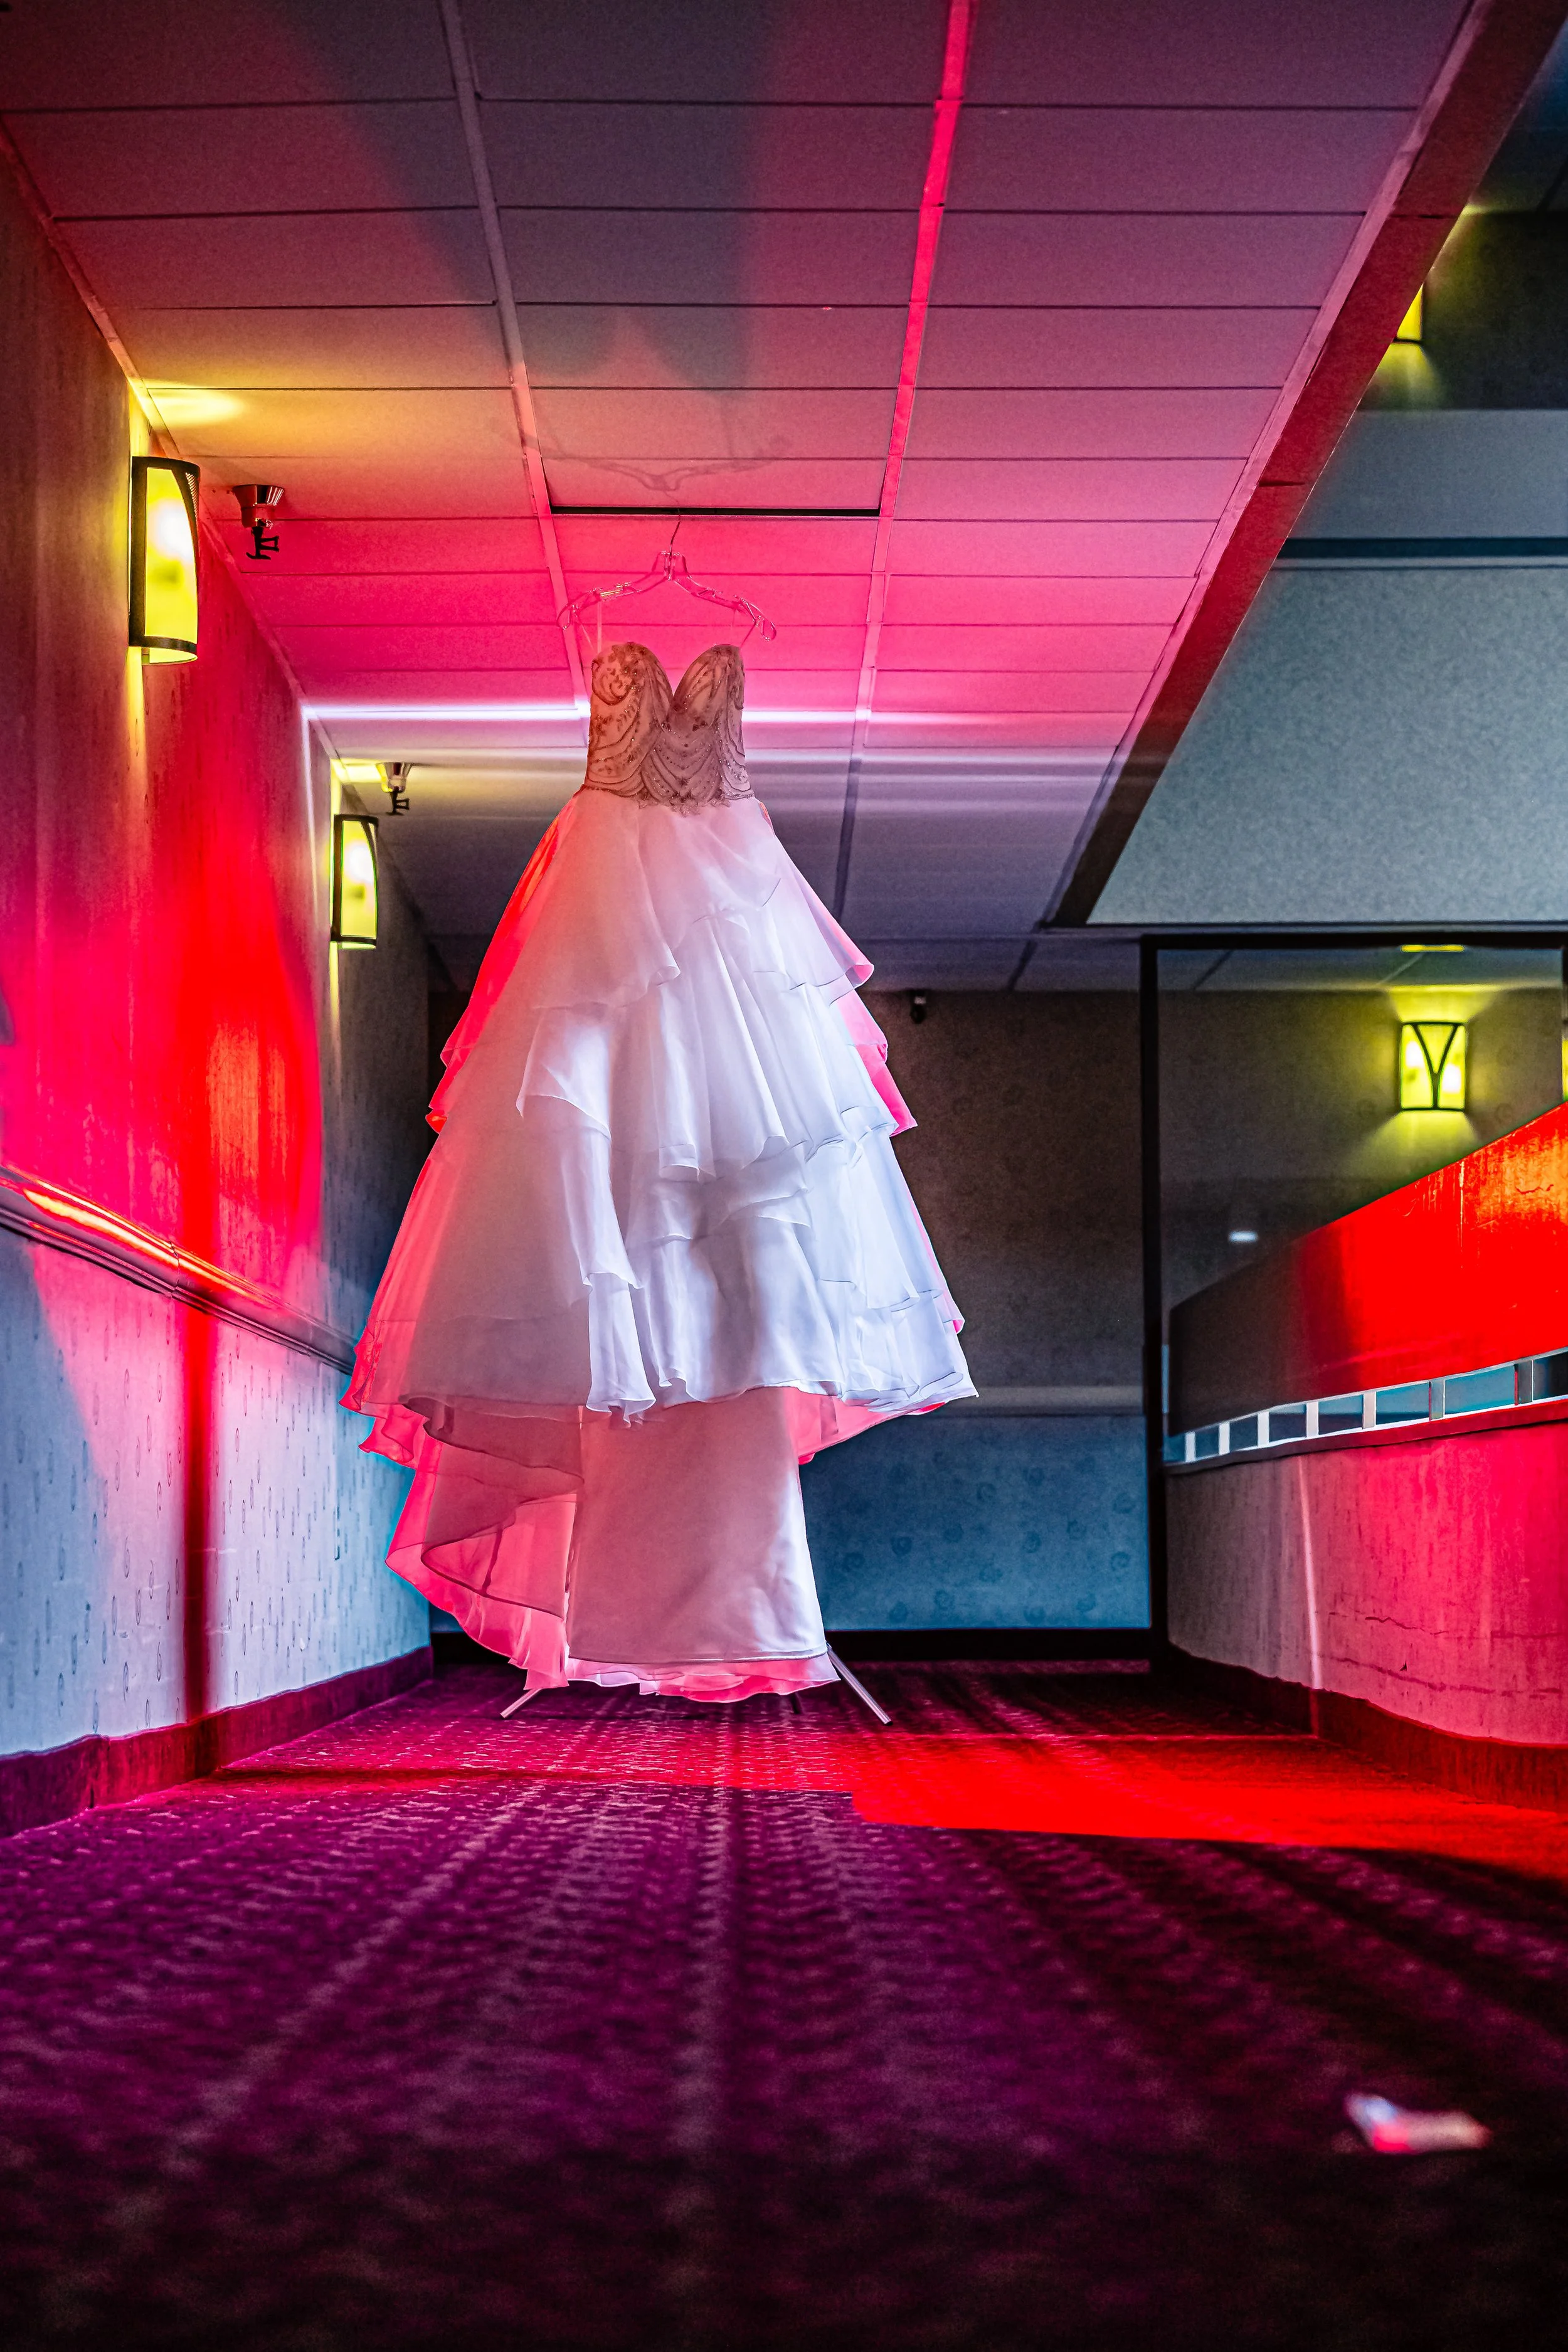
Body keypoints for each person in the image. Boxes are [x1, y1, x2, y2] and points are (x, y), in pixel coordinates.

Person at [344, 639, 973, 1701]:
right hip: (606, 892)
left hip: (729, 894)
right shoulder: (618, 662)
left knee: (734, 1197)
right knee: (606, 1155)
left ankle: (722, 1599)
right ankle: (654, 1594)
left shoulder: (700, 684)